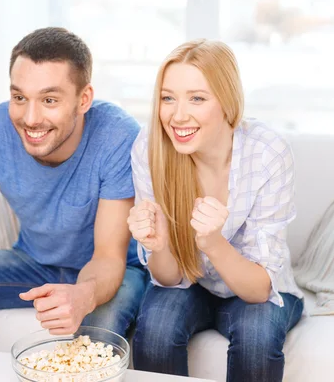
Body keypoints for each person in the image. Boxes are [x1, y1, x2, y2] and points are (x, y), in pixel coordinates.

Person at [0, 27, 147, 377]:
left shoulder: (117, 135)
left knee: (99, 329)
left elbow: (108, 256)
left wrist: (83, 295)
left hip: (114, 270)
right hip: (34, 261)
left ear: (84, 99)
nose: (30, 118)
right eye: (19, 98)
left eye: (49, 100)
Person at [127, 39, 304, 382]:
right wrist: (159, 244)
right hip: (190, 283)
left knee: (257, 337)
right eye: (168, 98)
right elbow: (168, 278)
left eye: (197, 98)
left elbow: (257, 291)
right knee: (156, 331)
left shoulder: (267, 151)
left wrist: (211, 242)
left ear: (226, 102)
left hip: (252, 285)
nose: (177, 115)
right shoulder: (151, 146)